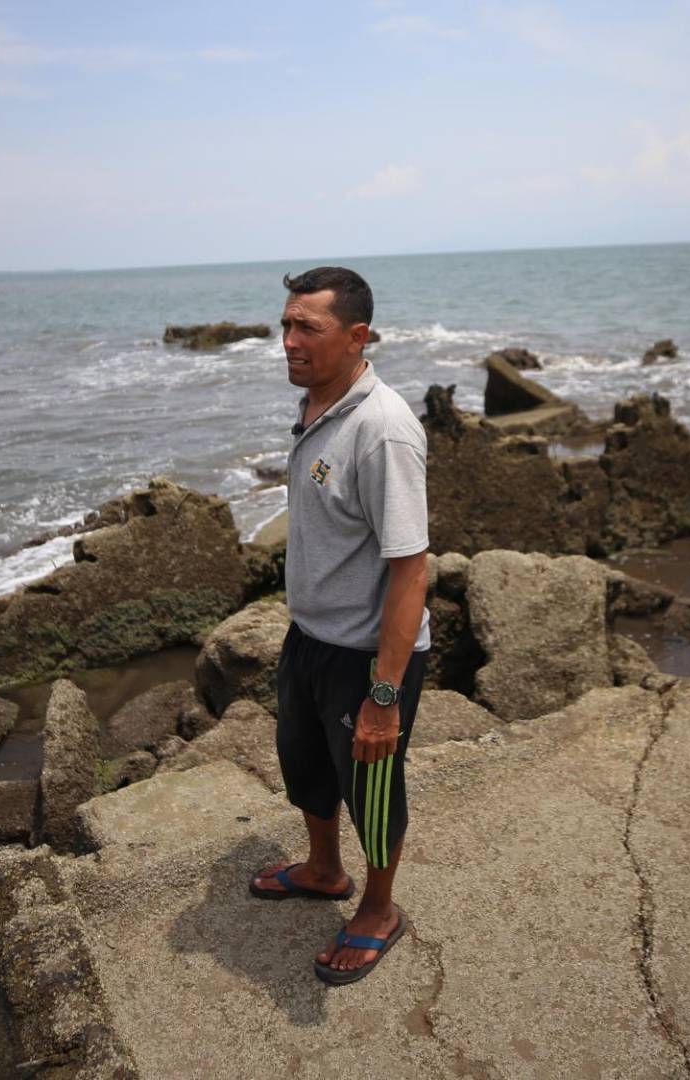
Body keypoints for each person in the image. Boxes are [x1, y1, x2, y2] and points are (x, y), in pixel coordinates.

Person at [248, 266, 430, 986]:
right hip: (312, 638)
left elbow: (411, 568)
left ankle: (380, 912)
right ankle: (325, 871)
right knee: (306, 764)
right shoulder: (318, 404)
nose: (288, 341)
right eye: (285, 325)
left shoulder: (382, 431)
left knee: (373, 792)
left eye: (307, 329)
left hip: (367, 657)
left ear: (357, 337)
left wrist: (383, 699)